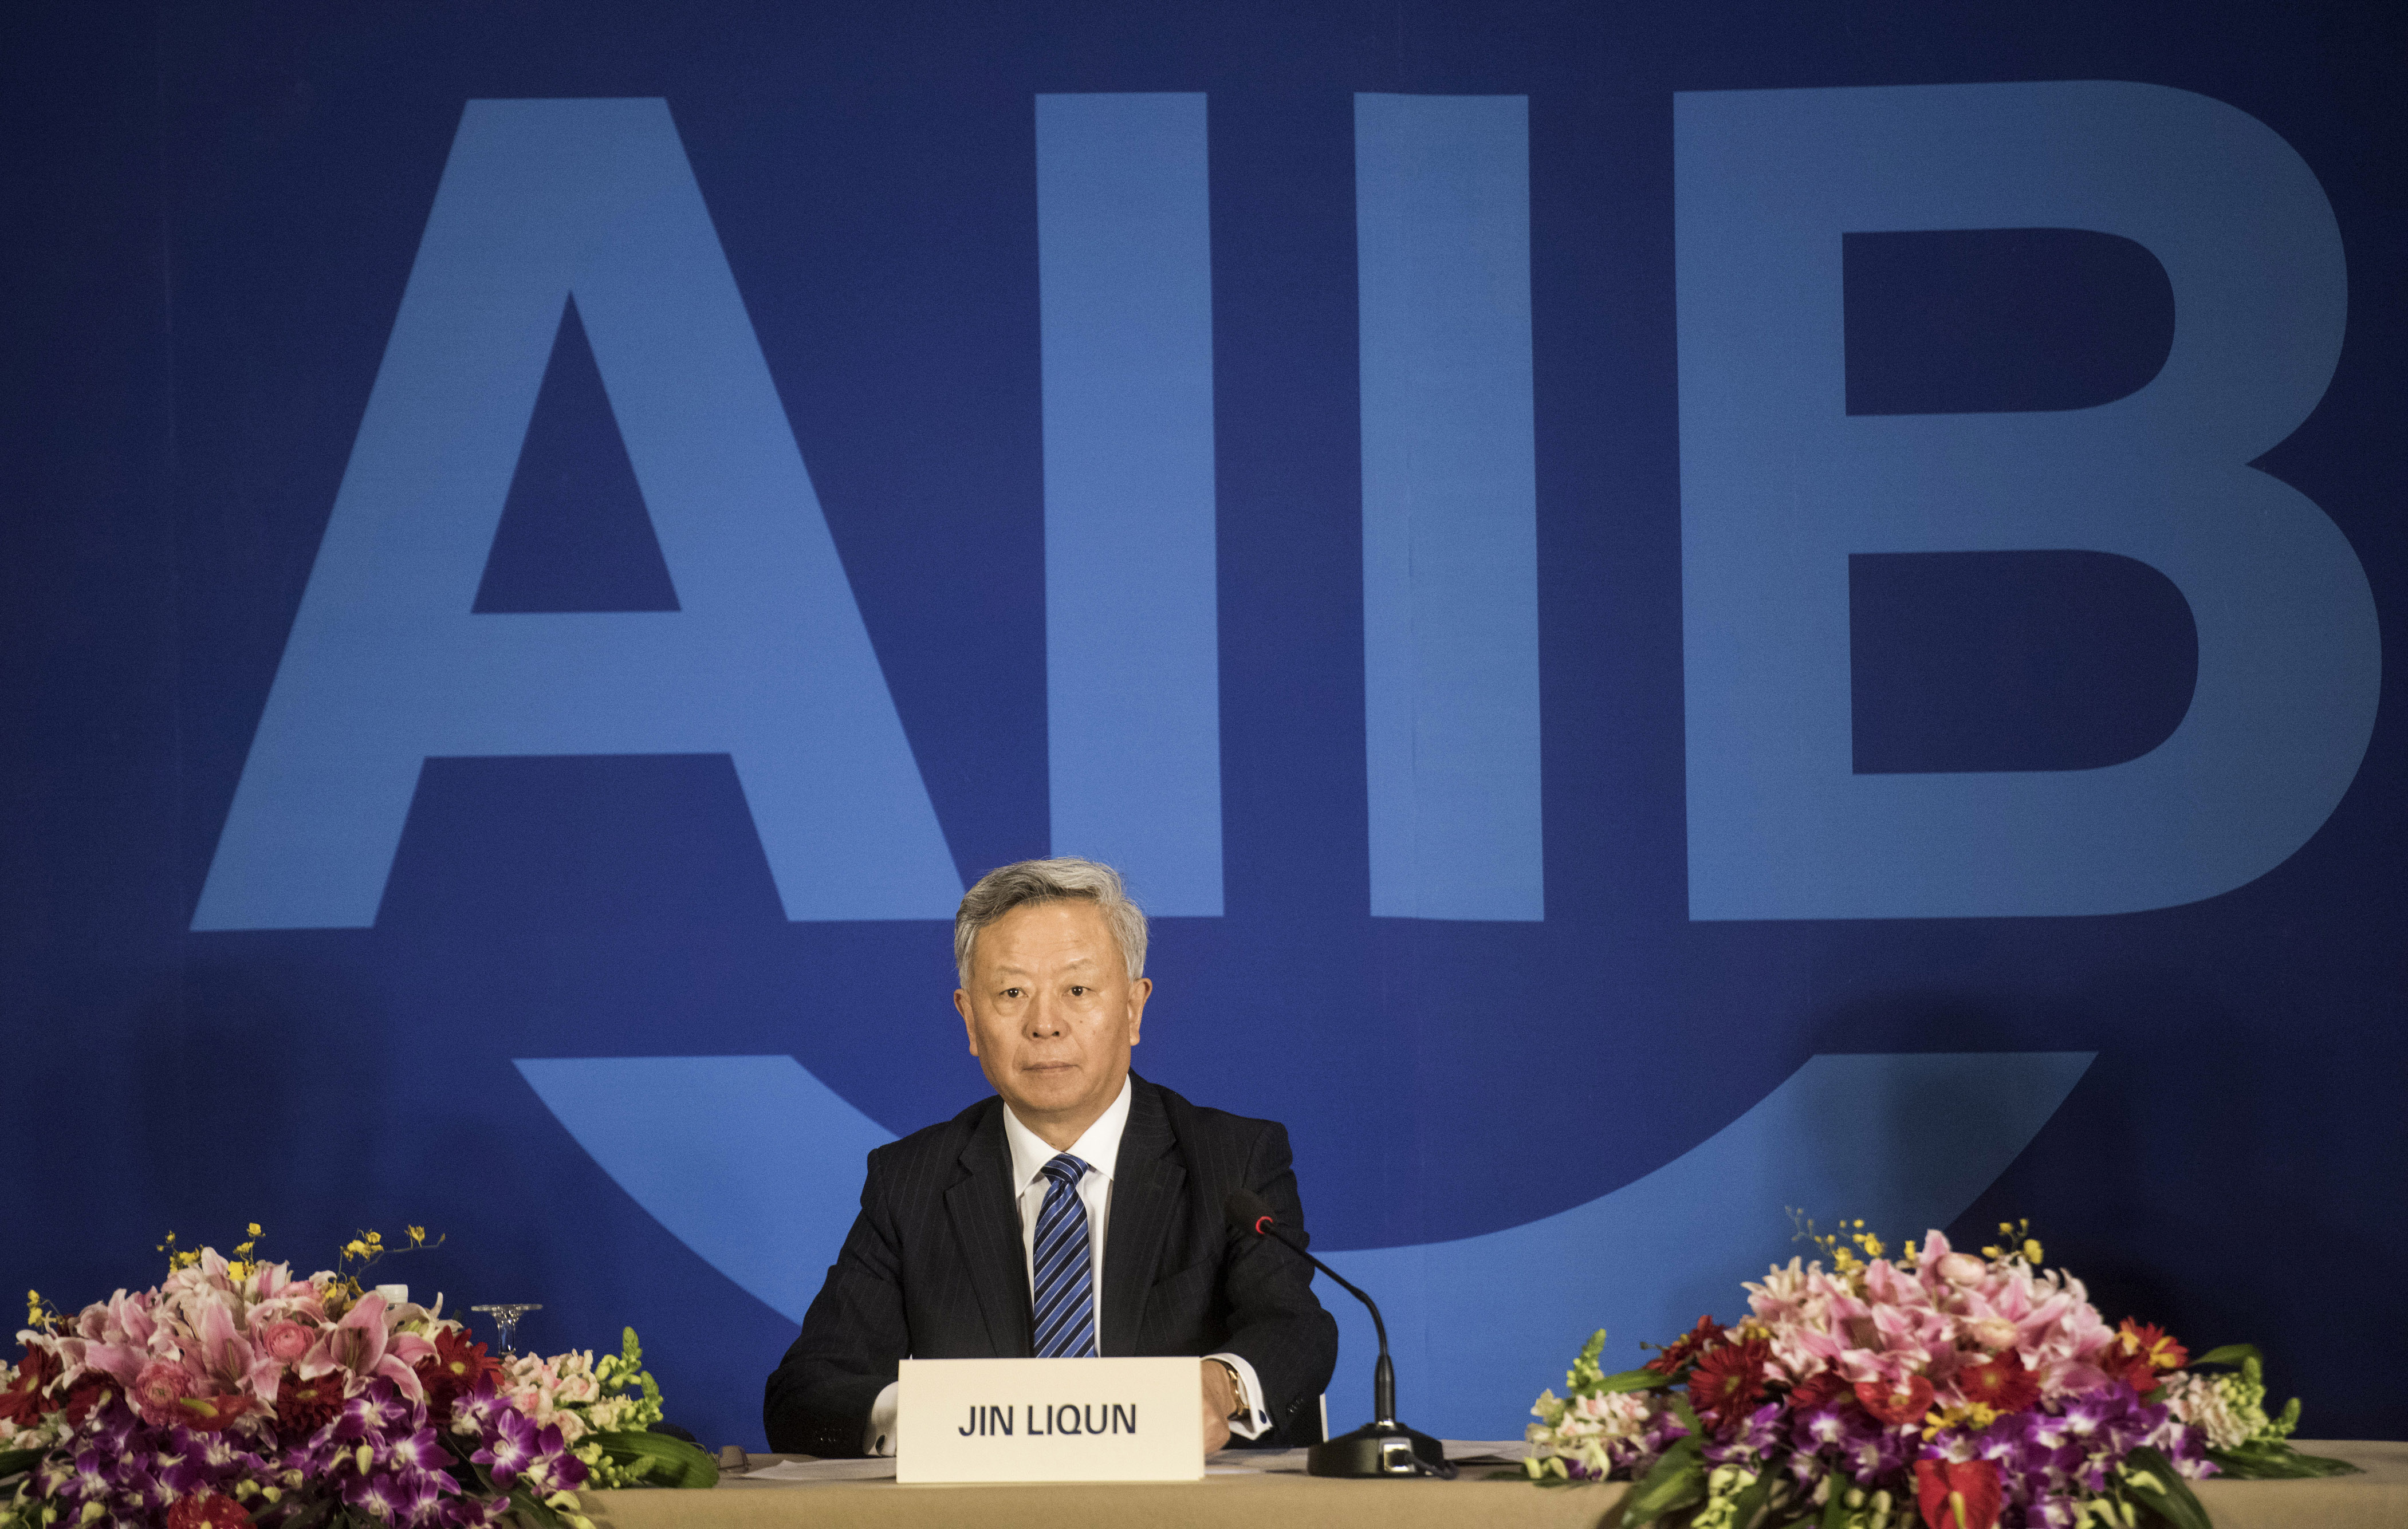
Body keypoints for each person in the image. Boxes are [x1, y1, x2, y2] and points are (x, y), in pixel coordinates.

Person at [762, 857, 1339, 1457]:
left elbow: (1294, 1327)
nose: (1045, 1024)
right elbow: (807, 1392)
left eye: (1078, 990)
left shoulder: (1232, 1160)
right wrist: (931, 1417)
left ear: (1134, 1008)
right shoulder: (909, 1182)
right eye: (1012, 993)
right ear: (969, 1019)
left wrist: (1221, 1389)